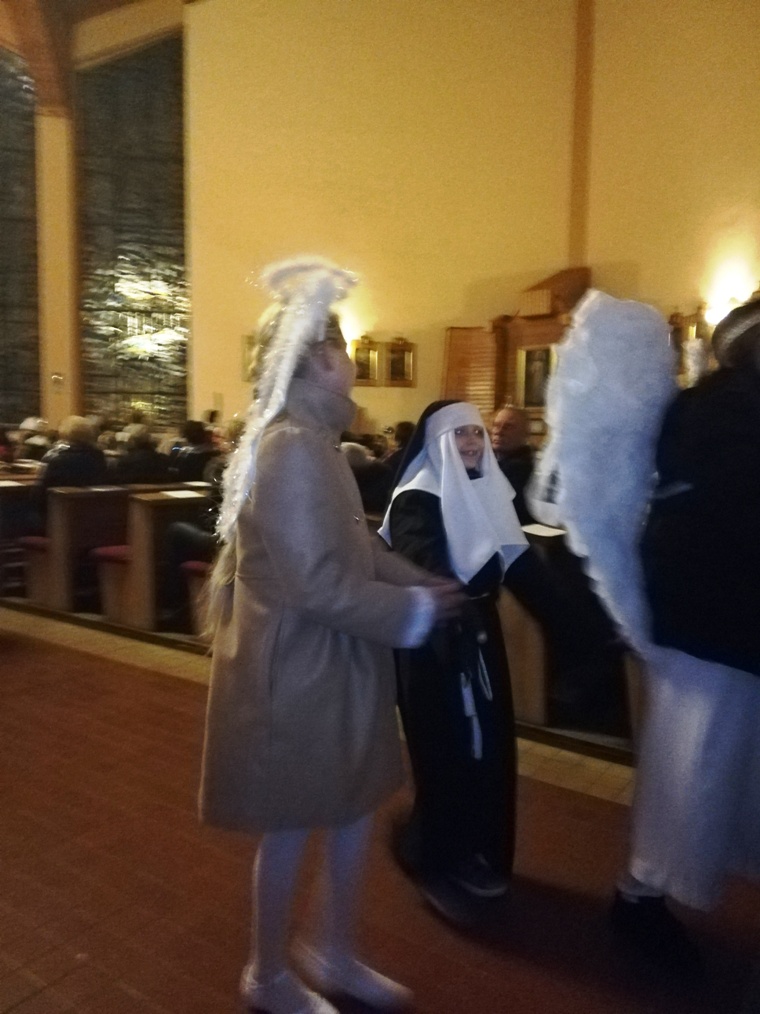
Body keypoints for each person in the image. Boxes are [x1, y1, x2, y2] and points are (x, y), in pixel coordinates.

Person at [199, 257, 462, 1014]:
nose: (353, 361)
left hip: (336, 660)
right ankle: (268, 974)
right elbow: (313, 583)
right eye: (344, 349)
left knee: (352, 809)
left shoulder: (316, 442)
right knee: (292, 825)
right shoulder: (289, 448)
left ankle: (335, 951)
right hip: (298, 669)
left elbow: (356, 547)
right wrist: (413, 615)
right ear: (318, 358)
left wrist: (417, 582)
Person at [612, 297, 760, 967]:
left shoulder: (720, 405)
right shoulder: (720, 411)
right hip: (710, 619)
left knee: (718, 767)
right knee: (690, 767)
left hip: (722, 617)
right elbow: (716, 513)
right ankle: (639, 896)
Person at [379, 400, 529, 914]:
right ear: (438, 441)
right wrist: (460, 604)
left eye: (476, 433)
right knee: (445, 751)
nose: (471, 442)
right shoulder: (415, 498)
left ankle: (479, 852)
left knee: (488, 750)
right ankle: (435, 857)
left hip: (479, 636)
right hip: (435, 643)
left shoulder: (486, 489)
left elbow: (518, 563)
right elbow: (424, 564)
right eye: (459, 434)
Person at [491, 405, 535, 524]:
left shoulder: (524, 469)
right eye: (496, 425)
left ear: (526, 434)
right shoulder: (488, 462)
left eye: (508, 426)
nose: (499, 431)